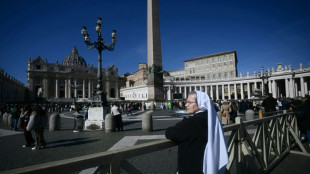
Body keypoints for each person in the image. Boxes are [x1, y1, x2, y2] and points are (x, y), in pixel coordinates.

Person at [165, 91, 228, 174]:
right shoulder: (212, 118)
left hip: (193, 167)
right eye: (186, 102)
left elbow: (169, 132)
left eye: (190, 102)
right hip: (208, 164)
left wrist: (185, 121)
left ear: (201, 103)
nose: (186, 105)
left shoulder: (193, 122)